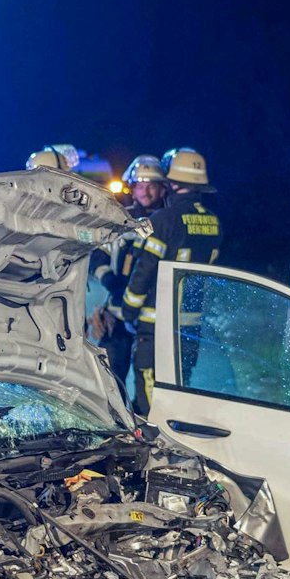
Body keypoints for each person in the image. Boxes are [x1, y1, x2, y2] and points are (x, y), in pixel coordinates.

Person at [121, 147, 223, 409]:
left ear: (173, 183)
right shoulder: (214, 223)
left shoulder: (164, 220)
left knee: (149, 391)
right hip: (191, 324)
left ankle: (155, 444)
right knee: (180, 385)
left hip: (155, 324)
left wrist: (129, 309)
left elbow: (144, 270)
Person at [94, 154, 168, 406]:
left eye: (151, 185)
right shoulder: (119, 219)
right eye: (140, 185)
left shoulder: (167, 223)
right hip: (115, 319)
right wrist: (110, 281)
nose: (145, 192)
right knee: (109, 385)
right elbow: (97, 257)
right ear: (132, 189)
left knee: (149, 390)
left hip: (150, 322)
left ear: (162, 188)